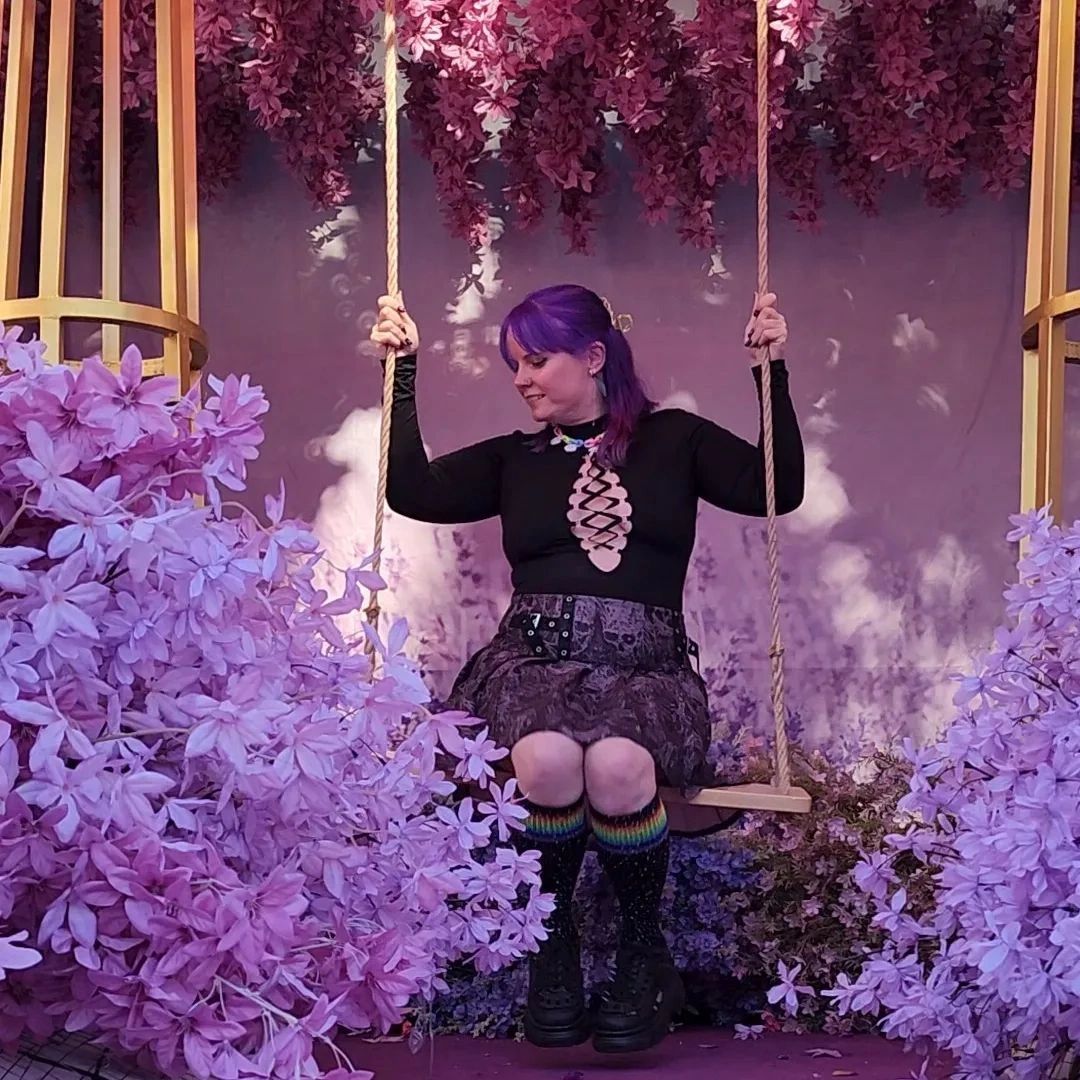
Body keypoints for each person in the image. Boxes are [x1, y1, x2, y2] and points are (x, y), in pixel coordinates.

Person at [370, 283, 804, 1054]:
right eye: (515, 365)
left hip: (647, 669)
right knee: (543, 761)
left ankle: (642, 955)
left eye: (537, 361)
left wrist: (770, 370)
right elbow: (412, 490)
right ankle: (553, 948)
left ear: (594, 356)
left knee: (618, 767)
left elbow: (778, 488)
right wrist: (401, 372)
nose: (522, 379)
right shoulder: (516, 458)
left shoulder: (676, 440)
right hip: (534, 662)